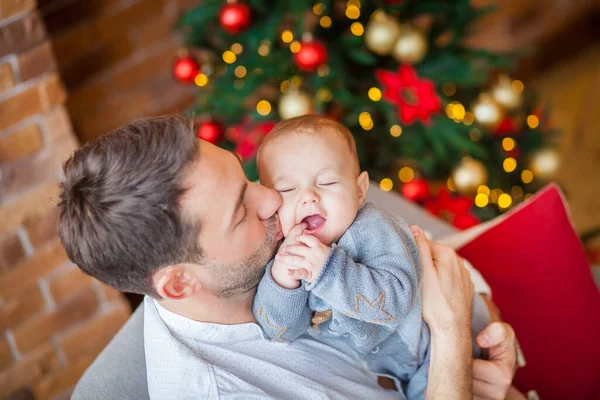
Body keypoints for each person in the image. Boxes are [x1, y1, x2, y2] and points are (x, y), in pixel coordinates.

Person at [58, 115, 517, 399]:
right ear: (179, 284)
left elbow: (421, 258)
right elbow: (443, 309)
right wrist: (452, 339)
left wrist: (480, 327)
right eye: (242, 210)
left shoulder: (298, 219)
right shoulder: (227, 392)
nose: (276, 200)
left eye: (249, 179)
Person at [251, 115, 490, 398]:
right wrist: (282, 282)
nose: (308, 197)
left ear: (360, 190)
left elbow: (395, 301)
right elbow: (279, 332)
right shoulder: (287, 248)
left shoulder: (374, 228)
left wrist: (326, 271)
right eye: (287, 189)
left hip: (434, 348)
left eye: (327, 182)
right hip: (390, 370)